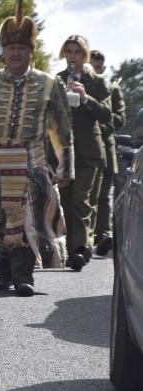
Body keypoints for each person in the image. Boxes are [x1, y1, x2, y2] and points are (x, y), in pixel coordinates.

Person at [0, 0, 73, 296]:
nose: (16, 53)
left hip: (31, 163)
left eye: (22, 49)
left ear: (30, 52)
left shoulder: (49, 84)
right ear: (4, 51)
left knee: (26, 222)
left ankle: (25, 276)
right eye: (11, 49)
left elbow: (61, 129)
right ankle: (5, 270)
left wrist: (65, 165)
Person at [56, 35, 112, 271]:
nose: (72, 56)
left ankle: (80, 248)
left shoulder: (96, 81)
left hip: (89, 151)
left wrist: (85, 98)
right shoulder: (57, 79)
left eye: (77, 51)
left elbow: (107, 115)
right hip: (63, 150)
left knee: (81, 199)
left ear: (85, 54)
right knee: (66, 203)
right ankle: (72, 250)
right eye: (68, 51)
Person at [89, 50, 126, 256]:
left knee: (102, 197)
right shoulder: (73, 88)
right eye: (90, 66)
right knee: (81, 197)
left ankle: (102, 236)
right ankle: (82, 237)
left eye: (97, 67)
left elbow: (120, 119)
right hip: (79, 151)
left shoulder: (113, 90)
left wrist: (95, 116)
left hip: (104, 148)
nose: (93, 70)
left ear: (102, 69)